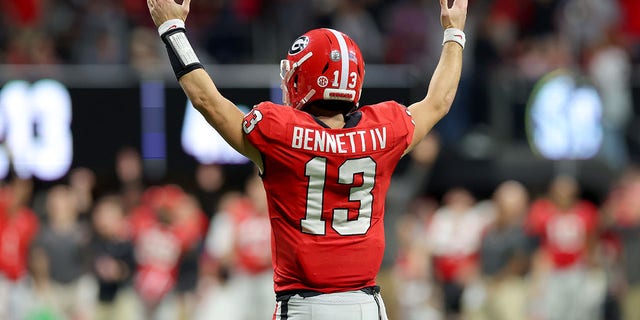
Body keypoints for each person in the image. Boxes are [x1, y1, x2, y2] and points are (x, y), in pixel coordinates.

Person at [146, 0, 467, 318]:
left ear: (304, 79)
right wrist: (453, 32)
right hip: (367, 306)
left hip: (304, 306)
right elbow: (439, 101)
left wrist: (172, 28)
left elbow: (207, 100)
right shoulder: (385, 129)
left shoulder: (278, 133)